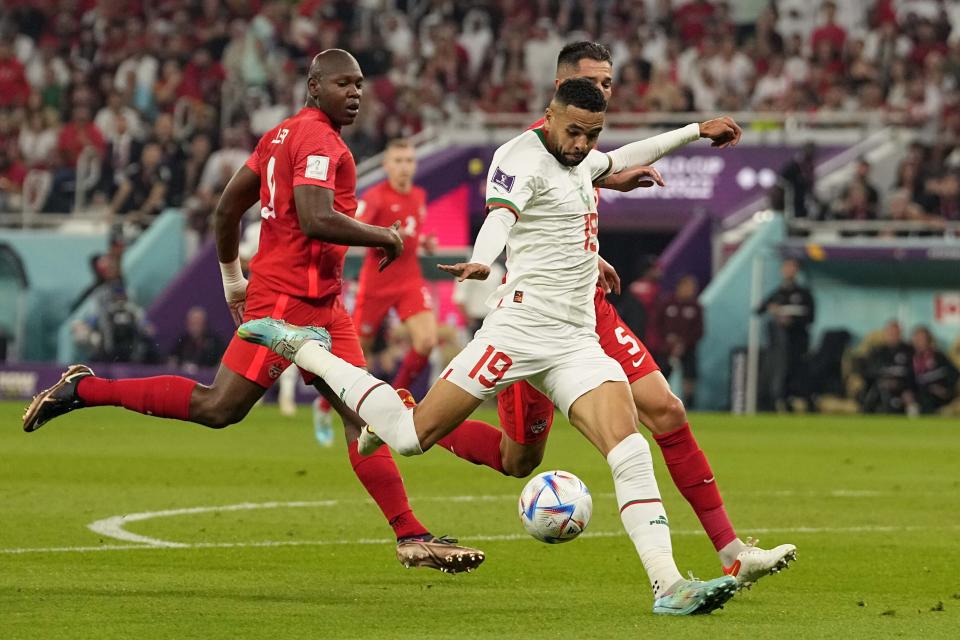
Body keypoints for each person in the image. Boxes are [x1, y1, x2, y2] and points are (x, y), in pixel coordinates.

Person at [240, 78, 744, 615]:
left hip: (576, 340)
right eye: (572, 131)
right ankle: (304, 348)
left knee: (631, 449)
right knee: (412, 438)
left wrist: (694, 131)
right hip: (519, 330)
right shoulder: (518, 157)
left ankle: (668, 586)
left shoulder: (584, 158)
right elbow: (500, 217)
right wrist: (482, 259)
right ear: (548, 116)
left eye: (590, 134)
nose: (580, 144)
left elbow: (619, 158)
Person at [22, 49, 484, 574]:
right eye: (343, 84)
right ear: (314, 87)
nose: (355, 93)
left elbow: (228, 207)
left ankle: (411, 535)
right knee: (218, 408)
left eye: (359, 85)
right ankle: (83, 389)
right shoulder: (315, 138)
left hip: (323, 304)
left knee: (363, 419)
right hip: (284, 307)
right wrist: (382, 234)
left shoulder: (279, 136)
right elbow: (313, 217)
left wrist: (231, 279)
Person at [437, 42, 795, 589]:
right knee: (518, 458)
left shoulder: (587, 141)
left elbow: (586, 193)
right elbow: (520, 221)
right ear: (561, 92)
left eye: (608, 81)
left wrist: (594, 253)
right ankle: (416, 418)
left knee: (665, 412)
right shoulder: (533, 149)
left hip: (589, 312)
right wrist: (485, 261)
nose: (603, 91)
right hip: (534, 317)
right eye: (593, 81)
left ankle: (729, 551)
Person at [312, 137, 439, 437]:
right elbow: (353, 228)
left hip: (409, 281)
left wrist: (423, 243)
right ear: (386, 165)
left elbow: (409, 234)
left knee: (426, 341)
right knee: (354, 358)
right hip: (377, 284)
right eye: (398, 161)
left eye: (409, 161)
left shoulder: (419, 196)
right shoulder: (376, 198)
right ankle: (325, 407)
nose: (404, 167)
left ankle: (395, 401)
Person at [758, 258, 815, 412]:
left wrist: (792, 321)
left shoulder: (804, 294)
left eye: (793, 267)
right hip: (778, 346)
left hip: (798, 344)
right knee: (777, 374)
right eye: (787, 267)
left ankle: (801, 404)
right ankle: (777, 403)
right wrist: (773, 309)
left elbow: (811, 318)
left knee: (797, 374)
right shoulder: (778, 293)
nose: (789, 270)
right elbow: (759, 309)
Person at [655, 275, 704, 408]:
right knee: (661, 375)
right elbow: (657, 324)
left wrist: (684, 343)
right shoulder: (667, 303)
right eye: (688, 287)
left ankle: (689, 405)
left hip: (688, 348)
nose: (690, 290)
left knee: (689, 377)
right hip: (666, 349)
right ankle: (659, 403)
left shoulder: (696, 306)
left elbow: (699, 331)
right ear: (679, 287)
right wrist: (667, 342)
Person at [860, 320, 914, 414]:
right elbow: (868, 372)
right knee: (873, 395)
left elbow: (913, 373)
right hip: (879, 386)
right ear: (885, 334)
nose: (892, 336)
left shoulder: (909, 351)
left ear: (900, 334)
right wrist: (884, 380)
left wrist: (905, 387)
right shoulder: (876, 352)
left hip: (902, 387)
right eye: (890, 333)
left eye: (895, 333)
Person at [909, 326, 958, 414]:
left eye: (922, 339)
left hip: (940, 395)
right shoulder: (910, 358)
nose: (920, 342)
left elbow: (954, 374)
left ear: (928, 340)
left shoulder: (939, 356)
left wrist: (947, 390)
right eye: (917, 339)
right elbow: (907, 380)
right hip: (919, 394)